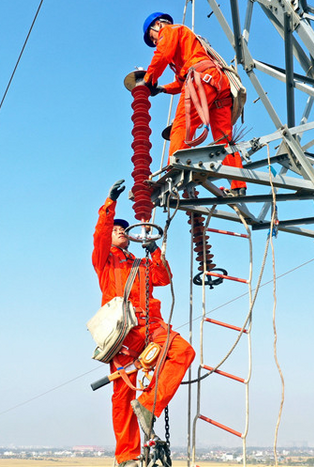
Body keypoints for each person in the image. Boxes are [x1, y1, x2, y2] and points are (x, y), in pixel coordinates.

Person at [92, 179, 195, 467]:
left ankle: (149, 405)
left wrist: (154, 249)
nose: (121, 231)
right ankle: (127, 456)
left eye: (123, 228)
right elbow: (99, 236)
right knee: (122, 393)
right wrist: (109, 205)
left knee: (183, 353)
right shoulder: (105, 262)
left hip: (152, 327)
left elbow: (164, 278)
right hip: (125, 332)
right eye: (116, 229)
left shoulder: (141, 264)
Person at [142, 12, 247, 196]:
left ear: (157, 25)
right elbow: (180, 81)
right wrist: (162, 89)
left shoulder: (170, 30)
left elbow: (162, 54)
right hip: (217, 83)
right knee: (224, 138)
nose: (156, 42)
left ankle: (172, 174)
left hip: (201, 78)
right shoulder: (185, 45)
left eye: (153, 38)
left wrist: (148, 79)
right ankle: (239, 186)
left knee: (181, 125)